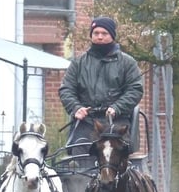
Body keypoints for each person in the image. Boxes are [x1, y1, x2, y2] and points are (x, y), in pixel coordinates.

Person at [58, 16, 143, 159]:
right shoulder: (78, 63)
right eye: (96, 33)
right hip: (86, 122)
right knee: (78, 153)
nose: (99, 37)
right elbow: (66, 89)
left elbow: (135, 89)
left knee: (114, 153)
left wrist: (117, 107)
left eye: (104, 33)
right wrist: (76, 107)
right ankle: (79, 181)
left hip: (116, 122)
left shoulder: (127, 63)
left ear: (112, 36)